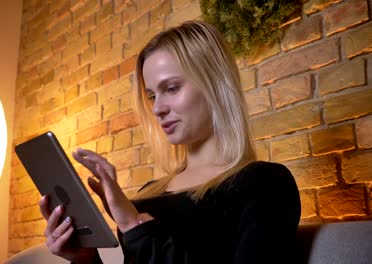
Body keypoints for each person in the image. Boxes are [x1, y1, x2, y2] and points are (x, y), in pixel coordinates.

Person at [39, 20, 301, 264]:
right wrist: (85, 259)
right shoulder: (148, 193)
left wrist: (134, 225)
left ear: (216, 85)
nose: (157, 109)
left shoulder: (265, 184)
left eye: (172, 88)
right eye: (152, 95)